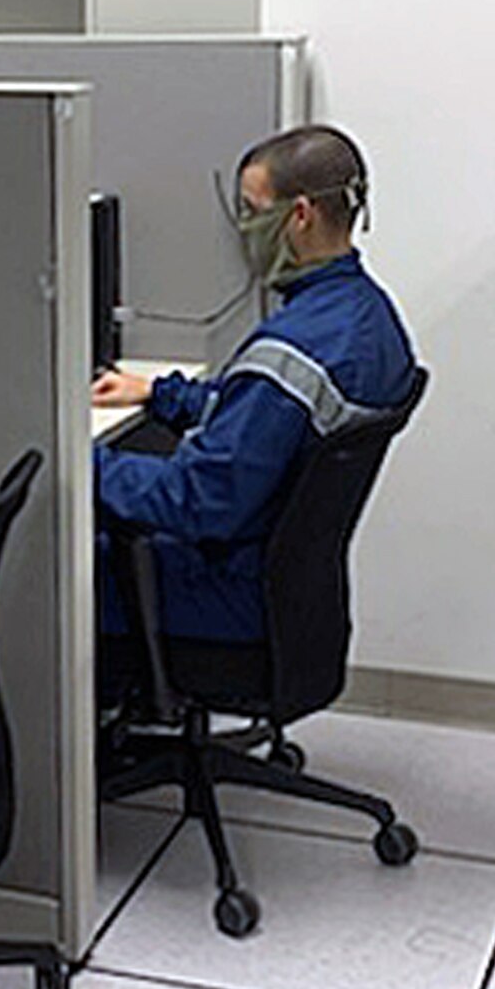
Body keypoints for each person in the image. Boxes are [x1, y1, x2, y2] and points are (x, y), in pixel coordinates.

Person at [91, 124, 417, 648]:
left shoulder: (295, 347)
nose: (243, 227)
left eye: (250, 210)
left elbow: (196, 501)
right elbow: (265, 415)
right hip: (290, 595)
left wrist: (80, 464)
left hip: (230, 594)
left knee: (65, 571)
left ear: (300, 215)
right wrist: (158, 394)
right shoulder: (369, 320)